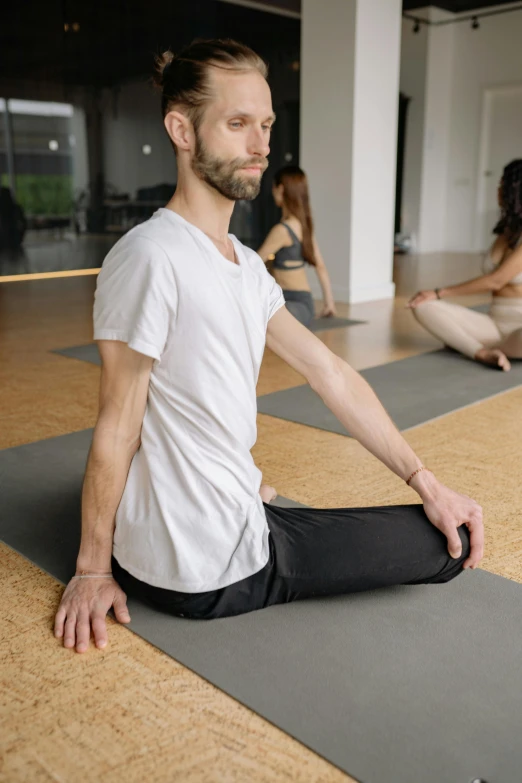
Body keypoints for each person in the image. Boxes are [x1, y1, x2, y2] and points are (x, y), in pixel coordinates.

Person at [54, 39, 483, 653]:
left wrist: (427, 482)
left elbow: (329, 371)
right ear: (181, 129)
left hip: (201, 529)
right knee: (450, 546)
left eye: (266, 126)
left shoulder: (246, 268)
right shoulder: (150, 256)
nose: (260, 147)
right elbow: (117, 423)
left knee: (424, 511)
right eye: (237, 125)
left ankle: (241, 497)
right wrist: (92, 570)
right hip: (212, 568)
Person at [408, 159, 522, 371]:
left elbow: (496, 281)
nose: (497, 189)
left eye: (502, 184)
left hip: (519, 330)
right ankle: (481, 352)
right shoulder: (505, 232)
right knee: (422, 305)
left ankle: (465, 342)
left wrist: (439, 292)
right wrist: (433, 297)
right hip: (494, 324)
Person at [256, 166, 337, 327]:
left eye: (273, 187)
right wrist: (330, 303)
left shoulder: (282, 230)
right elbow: (320, 266)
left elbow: (254, 262)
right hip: (303, 304)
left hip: (292, 304)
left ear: (280, 189)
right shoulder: (303, 226)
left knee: (262, 315)